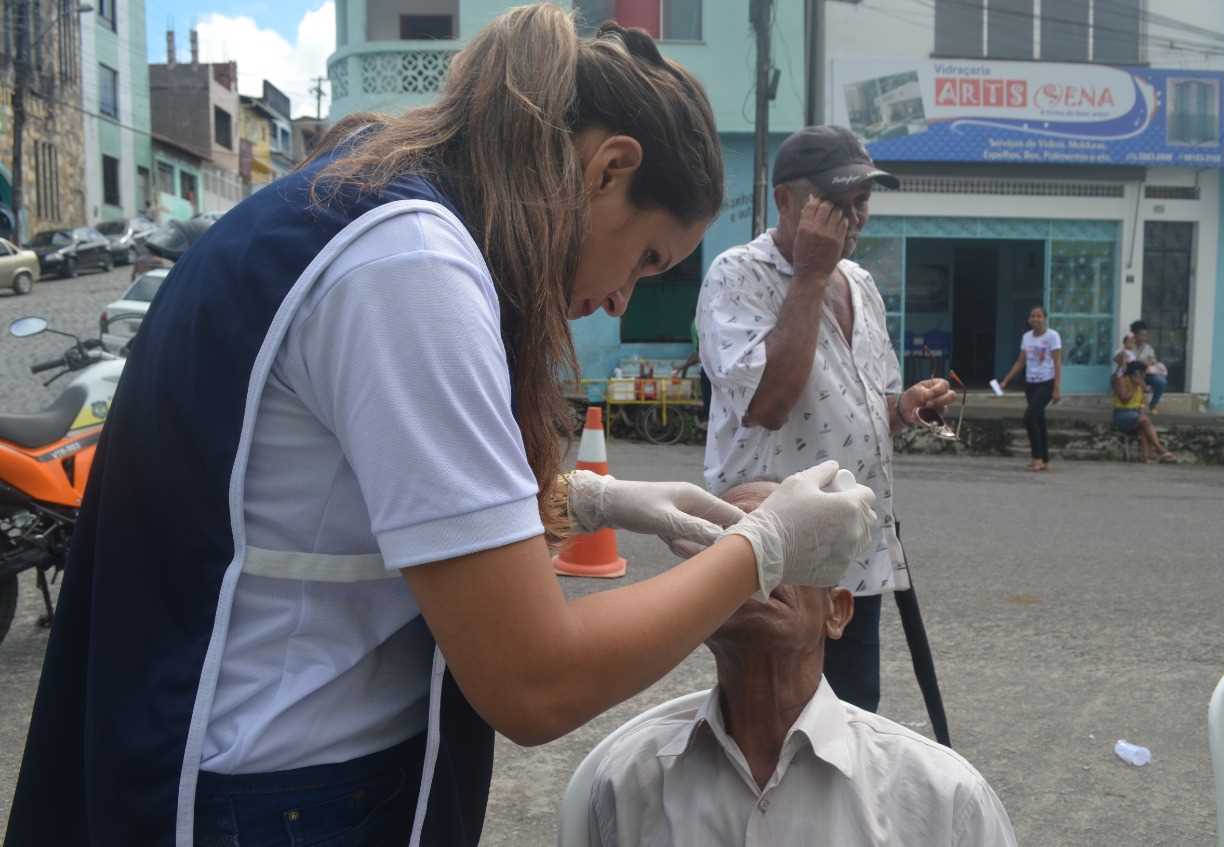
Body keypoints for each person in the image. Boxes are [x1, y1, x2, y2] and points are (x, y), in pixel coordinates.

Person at [4, 10, 880, 846]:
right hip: (279, 795)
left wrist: (594, 498)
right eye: (647, 258)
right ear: (609, 168)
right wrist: (764, 548)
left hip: (228, 762)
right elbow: (533, 679)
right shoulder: (412, 265)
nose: (620, 298)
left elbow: (347, 490)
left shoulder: (364, 210)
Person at [588, 481, 1018, 847]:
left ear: (837, 611)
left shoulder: (941, 797)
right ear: (694, 608)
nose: (757, 568)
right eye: (729, 546)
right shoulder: (628, 781)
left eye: (783, 544)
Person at [696, 126, 955, 714]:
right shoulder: (738, 276)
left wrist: (905, 405)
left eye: (862, 201)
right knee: (775, 716)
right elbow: (767, 405)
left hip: (855, 548)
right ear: (785, 200)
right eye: (836, 201)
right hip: (777, 554)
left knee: (854, 713)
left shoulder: (860, 282)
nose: (854, 216)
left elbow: (867, 404)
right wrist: (810, 275)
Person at [999, 306, 1061, 472]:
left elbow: (1057, 363)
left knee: (1029, 418)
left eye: (1039, 316)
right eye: (1033, 316)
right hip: (1031, 383)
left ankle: (1037, 457)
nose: (1035, 319)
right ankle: (1045, 459)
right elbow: (1021, 362)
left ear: (1045, 318)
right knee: (1039, 421)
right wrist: (1006, 381)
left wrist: (1056, 388)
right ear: (1029, 319)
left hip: (1046, 382)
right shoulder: (1026, 337)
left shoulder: (1052, 336)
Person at [1113, 361, 1175, 463]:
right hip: (1122, 414)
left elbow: (1141, 402)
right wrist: (1134, 387)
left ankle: (1145, 457)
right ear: (1136, 373)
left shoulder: (1142, 383)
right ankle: (1159, 449)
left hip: (1136, 414)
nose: (1145, 375)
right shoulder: (1121, 381)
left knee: (1143, 427)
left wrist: (1141, 412)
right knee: (1145, 421)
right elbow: (1124, 399)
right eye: (1143, 373)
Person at [676, 317, 712, 424]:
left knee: (709, 403)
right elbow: (698, 353)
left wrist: (683, 367)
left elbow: (699, 354)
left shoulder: (698, 325)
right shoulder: (706, 324)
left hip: (709, 372)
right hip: (710, 371)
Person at [1129, 320, 1169, 414]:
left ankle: (1153, 404)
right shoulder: (1129, 346)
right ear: (1135, 335)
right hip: (1131, 374)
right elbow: (1127, 362)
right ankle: (1137, 405)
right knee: (1136, 381)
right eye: (1141, 335)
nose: (1144, 337)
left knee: (1161, 382)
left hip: (1146, 374)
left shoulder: (1148, 348)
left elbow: (1153, 361)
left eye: (1145, 335)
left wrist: (1149, 363)